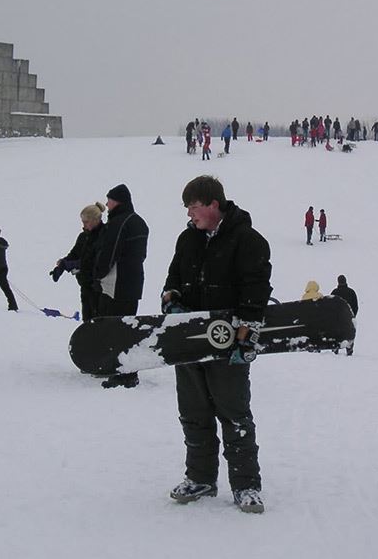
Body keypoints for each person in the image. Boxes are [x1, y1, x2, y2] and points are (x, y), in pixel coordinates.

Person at [162, 175, 272, 514]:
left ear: (213, 204)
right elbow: (173, 278)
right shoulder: (187, 239)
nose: (190, 215)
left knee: (234, 414)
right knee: (194, 413)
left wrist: (247, 333)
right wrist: (172, 299)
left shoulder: (248, 240)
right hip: (190, 342)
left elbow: (256, 291)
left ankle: (246, 485)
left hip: (229, 344)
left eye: (193, 207)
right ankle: (201, 478)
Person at [94, 184, 149, 389]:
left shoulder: (119, 222)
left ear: (118, 201)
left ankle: (123, 372)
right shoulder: (139, 222)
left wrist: (97, 274)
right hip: (134, 282)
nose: (107, 204)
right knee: (127, 326)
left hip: (116, 283)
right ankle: (127, 370)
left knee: (116, 328)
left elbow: (110, 252)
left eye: (109, 200)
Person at [53, 202, 106, 322]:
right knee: (87, 319)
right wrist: (63, 264)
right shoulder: (83, 236)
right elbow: (74, 254)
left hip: (99, 286)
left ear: (96, 220)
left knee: (98, 320)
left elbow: (94, 260)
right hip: (85, 284)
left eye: (86, 222)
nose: (83, 225)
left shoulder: (104, 234)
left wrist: (74, 264)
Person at [331, 274, 358, 355]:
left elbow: (330, 306)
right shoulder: (351, 292)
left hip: (337, 319)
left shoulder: (335, 292)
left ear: (338, 282)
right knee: (349, 333)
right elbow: (355, 306)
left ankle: (335, 348)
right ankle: (349, 349)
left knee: (337, 334)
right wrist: (352, 315)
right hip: (348, 317)